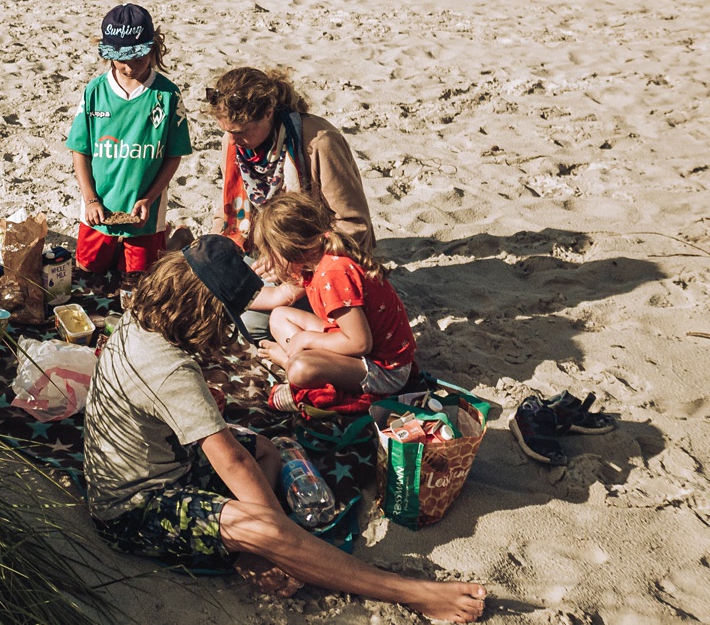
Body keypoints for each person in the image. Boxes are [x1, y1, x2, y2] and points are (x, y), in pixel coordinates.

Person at [82, 235, 486, 622]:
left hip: (163, 459)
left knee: (267, 450)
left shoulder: (142, 316)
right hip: (133, 507)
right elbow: (234, 462)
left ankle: (252, 548)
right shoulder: (170, 371)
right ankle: (412, 592)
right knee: (263, 520)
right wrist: (279, 538)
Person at [206, 66, 374, 341]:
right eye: (227, 131)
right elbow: (229, 206)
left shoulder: (320, 143)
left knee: (256, 324)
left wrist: (294, 266)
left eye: (242, 131)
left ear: (268, 113)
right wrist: (214, 250)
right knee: (224, 308)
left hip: (315, 258)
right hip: (266, 251)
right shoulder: (233, 141)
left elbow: (354, 225)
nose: (233, 140)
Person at [250, 192, 418, 406]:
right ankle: (300, 357)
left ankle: (287, 360)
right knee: (280, 316)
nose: (269, 261)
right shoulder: (316, 259)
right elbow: (278, 297)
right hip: (351, 342)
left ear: (289, 249)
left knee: (300, 369)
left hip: (385, 370)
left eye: (271, 253)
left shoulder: (333, 273)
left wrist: (307, 339)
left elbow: (360, 343)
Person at [66, 4, 193, 282]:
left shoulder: (168, 95)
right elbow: (80, 150)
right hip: (99, 207)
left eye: (138, 57)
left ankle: (177, 241)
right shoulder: (95, 91)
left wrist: (149, 198)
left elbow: (174, 155)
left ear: (153, 49)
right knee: (88, 271)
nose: (129, 66)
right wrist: (90, 199)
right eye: (120, 58)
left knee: (141, 279)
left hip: (146, 212)